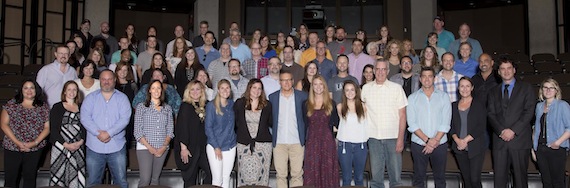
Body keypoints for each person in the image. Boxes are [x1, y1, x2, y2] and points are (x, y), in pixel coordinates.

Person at [487, 57, 536, 188]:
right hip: (499, 141)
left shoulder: (526, 88)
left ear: (514, 70)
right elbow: (490, 114)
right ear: (498, 72)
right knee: (499, 181)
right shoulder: (492, 91)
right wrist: (502, 131)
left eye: (509, 68)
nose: (506, 71)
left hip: (519, 141)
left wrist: (513, 130)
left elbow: (529, 111)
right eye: (502, 69)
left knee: (520, 180)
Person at [81, 70, 131, 188]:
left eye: (109, 79)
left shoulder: (122, 98)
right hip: (94, 147)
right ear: (100, 81)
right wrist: (98, 133)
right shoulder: (90, 98)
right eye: (103, 79)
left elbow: (124, 119)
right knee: (93, 183)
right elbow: (85, 118)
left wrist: (109, 133)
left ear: (114, 80)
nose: (106, 82)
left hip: (117, 147)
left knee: (121, 183)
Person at [362, 60, 408, 188]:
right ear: (374, 70)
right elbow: (362, 112)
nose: (381, 72)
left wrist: (400, 139)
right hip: (373, 138)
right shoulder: (365, 89)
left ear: (388, 71)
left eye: (384, 69)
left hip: (393, 138)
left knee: (396, 179)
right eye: (378, 69)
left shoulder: (396, 88)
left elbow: (403, 115)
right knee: (376, 180)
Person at [407, 67, 452, 188]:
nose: (427, 79)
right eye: (424, 76)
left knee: (440, 178)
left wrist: (434, 141)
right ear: (420, 79)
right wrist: (428, 141)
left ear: (434, 78)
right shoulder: (412, 98)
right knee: (418, 178)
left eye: (430, 76)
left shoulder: (444, 97)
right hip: (418, 144)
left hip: (440, 144)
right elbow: (412, 123)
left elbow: (445, 123)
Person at [1, 80, 50, 188]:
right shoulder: (12, 104)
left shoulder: (43, 106)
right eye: (26, 88)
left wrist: (34, 143)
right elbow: (4, 124)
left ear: (36, 90)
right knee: (11, 179)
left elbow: (47, 127)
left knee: (30, 178)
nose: (29, 90)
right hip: (12, 147)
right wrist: (18, 143)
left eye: (32, 88)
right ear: (21, 90)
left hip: (35, 148)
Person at [268, 70, 309, 188]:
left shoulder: (302, 96)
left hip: (297, 141)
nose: (286, 83)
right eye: (283, 80)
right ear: (279, 82)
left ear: (293, 81)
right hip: (279, 142)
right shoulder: (272, 97)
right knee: (281, 175)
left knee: (297, 175)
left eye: (289, 80)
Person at [134, 80, 174, 186]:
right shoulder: (141, 107)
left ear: (162, 91)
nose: (156, 90)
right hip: (144, 147)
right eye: (153, 88)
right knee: (145, 179)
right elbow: (137, 131)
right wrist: (149, 147)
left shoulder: (168, 108)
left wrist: (164, 146)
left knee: (155, 179)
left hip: (162, 147)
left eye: (158, 88)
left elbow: (170, 130)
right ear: (149, 91)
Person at [234, 79, 273, 186]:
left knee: (262, 176)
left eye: (259, 88)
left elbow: (271, 122)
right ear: (249, 88)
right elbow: (236, 123)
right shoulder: (239, 103)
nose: (257, 90)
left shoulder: (267, 105)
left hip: (263, 146)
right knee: (245, 174)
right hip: (244, 144)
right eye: (254, 87)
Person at [303, 75, 340, 188]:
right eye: (315, 84)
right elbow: (304, 125)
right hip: (312, 142)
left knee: (328, 170)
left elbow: (337, 124)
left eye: (321, 84)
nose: (318, 87)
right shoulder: (306, 104)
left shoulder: (331, 103)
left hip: (327, 142)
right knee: (312, 169)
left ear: (324, 87)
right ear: (312, 86)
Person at [450, 77, 487, 188]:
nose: (464, 89)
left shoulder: (479, 104)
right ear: (458, 88)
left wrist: (465, 140)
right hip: (459, 147)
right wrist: (457, 141)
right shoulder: (453, 106)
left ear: (472, 88)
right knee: (466, 180)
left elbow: (481, 126)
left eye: (467, 86)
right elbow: (450, 126)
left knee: (475, 179)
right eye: (462, 86)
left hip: (475, 147)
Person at [533, 78, 570, 188]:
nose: (548, 90)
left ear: (556, 90)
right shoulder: (539, 106)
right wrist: (533, 149)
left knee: (558, 182)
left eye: (551, 88)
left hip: (556, 149)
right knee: (546, 182)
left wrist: (557, 143)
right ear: (542, 90)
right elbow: (536, 128)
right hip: (541, 149)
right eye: (545, 87)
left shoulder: (563, 105)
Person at [175, 80, 212, 187]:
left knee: (211, 174)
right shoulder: (185, 106)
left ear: (202, 91)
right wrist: (183, 148)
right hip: (189, 149)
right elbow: (181, 128)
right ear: (188, 91)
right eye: (192, 89)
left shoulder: (207, 105)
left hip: (204, 148)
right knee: (189, 179)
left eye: (198, 89)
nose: (195, 92)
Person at [49, 81, 86, 187]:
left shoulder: (82, 107)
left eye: (74, 89)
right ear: (64, 91)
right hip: (60, 147)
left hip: (77, 147)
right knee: (59, 177)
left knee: (76, 178)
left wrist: (80, 142)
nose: (72, 92)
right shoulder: (57, 107)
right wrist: (66, 145)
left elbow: (85, 128)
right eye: (69, 89)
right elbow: (54, 130)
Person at [205, 79, 237, 188]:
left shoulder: (232, 105)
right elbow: (208, 128)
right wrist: (216, 147)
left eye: (227, 88)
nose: (225, 90)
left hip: (230, 146)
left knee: (226, 177)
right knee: (217, 179)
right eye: (222, 88)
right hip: (215, 146)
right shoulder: (211, 105)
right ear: (218, 90)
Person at [336, 80, 368, 186]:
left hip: (361, 146)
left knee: (359, 177)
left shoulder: (364, 106)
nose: (350, 92)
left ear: (357, 91)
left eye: (352, 90)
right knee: (346, 178)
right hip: (345, 145)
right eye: (347, 90)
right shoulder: (340, 107)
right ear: (344, 92)